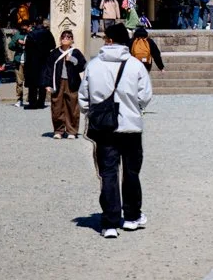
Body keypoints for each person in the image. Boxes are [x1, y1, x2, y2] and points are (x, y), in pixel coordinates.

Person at [79, 21, 153, 238]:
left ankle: (110, 222)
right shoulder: (135, 65)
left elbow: (84, 98)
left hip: (104, 128)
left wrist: (94, 112)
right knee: (131, 172)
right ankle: (131, 216)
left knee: (108, 173)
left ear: (108, 40)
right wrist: (134, 109)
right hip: (130, 126)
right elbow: (145, 96)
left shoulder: (93, 65)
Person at [44, 29, 87, 138]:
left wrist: (72, 59)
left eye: (68, 37)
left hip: (72, 82)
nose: (65, 39)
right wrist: (48, 84)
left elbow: (83, 66)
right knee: (57, 107)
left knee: (72, 107)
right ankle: (58, 130)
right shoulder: (54, 53)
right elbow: (48, 69)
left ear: (72, 40)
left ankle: (72, 131)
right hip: (57, 82)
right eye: (63, 37)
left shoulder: (76, 52)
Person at [22, 18, 56, 110]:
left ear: (34, 24)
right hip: (44, 59)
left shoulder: (31, 34)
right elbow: (53, 45)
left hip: (32, 60)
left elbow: (27, 49)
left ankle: (32, 103)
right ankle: (41, 102)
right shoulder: (47, 33)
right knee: (42, 83)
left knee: (32, 84)